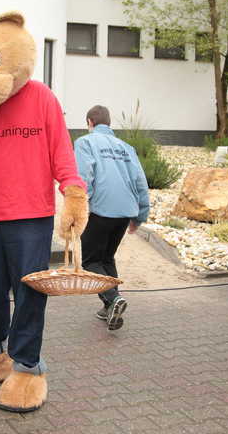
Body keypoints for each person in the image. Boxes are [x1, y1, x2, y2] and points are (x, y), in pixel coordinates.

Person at [73, 105, 150, 330]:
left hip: (101, 210)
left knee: (90, 262)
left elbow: (84, 176)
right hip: (125, 212)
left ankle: (114, 298)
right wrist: (140, 215)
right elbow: (141, 182)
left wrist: (80, 208)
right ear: (109, 123)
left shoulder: (85, 142)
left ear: (90, 122)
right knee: (106, 259)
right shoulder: (126, 147)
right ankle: (110, 307)